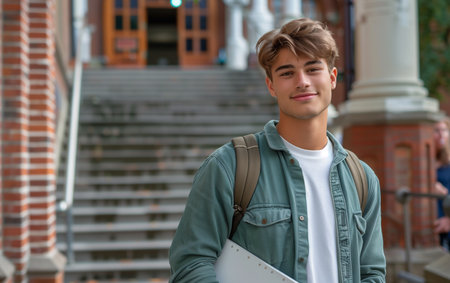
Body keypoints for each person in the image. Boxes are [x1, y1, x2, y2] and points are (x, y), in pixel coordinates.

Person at [169, 18, 386, 282]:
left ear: (331, 78)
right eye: (286, 73)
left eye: (312, 68)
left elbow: (371, 273)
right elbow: (191, 264)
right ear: (271, 85)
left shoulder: (362, 179)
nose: (302, 81)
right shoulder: (229, 167)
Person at [433, 119, 450, 250]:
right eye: (436, 130)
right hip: (434, 220)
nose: (440, 134)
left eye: (444, 130)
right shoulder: (427, 161)